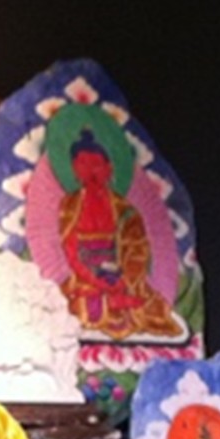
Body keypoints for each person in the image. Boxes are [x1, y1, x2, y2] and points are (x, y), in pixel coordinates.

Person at [58, 130, 180, 340]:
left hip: (121, 278)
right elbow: (70, 251)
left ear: (109, 168)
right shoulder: (69, 206)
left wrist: (123, 281)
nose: (90, 171)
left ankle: (117, 302)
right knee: (75, 306)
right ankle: (111, 303)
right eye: (83, 164)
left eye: (96, 164)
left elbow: (138, 251)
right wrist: (95, 281)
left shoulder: (126, 210)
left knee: (148, 308)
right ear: (74, 169)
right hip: (85, 280)